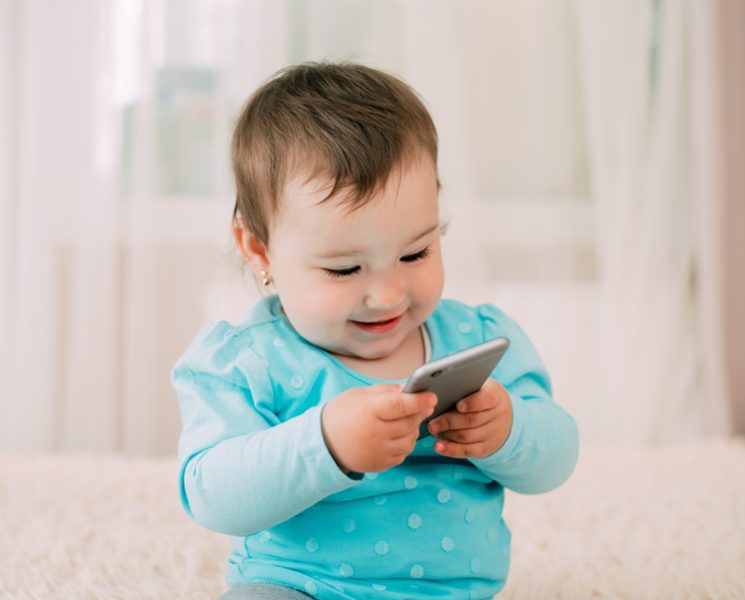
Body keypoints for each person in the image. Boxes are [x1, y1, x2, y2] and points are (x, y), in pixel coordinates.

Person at [172, 61, 579, 600]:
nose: (387, 294)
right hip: (299, 587)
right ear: (259, 249)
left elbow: (558, 458)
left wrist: (507, 430)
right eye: (344, 269)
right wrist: (325, 444)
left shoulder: (476, 338)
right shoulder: (246, 361)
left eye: (415, 252)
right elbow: (211, 494)